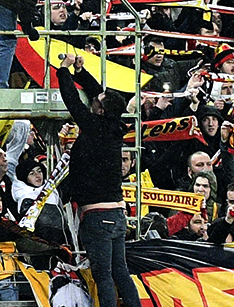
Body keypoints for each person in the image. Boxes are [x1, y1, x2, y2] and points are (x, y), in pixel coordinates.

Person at [57, 54, 140, 307]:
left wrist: (63, 71)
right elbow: (100, 95)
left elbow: (72, 101)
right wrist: (81, 72)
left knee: (103, 276)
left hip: (97, 216)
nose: (94, 99)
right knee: (121, 273)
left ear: (100, 110)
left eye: (97, 102)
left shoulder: (94, 127)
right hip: (116, 213)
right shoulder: (114, 125)